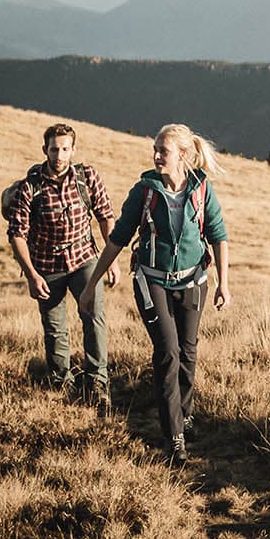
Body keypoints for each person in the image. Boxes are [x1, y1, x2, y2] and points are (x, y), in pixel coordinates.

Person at [86, 123, 229, 465]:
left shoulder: (201, 189)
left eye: (162, 151)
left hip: (194, 281)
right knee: (168, 351)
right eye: (155, 149)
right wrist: (91, 284)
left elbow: (219, 235)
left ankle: (185, 414)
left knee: (188, 352)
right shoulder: (144, 191)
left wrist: (224, 283)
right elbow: (118, 238)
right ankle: (174, 437)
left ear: (182, 155)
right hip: (152, 282)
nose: (155, 155)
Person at [7, 122, 118, 413]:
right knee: (55, 328)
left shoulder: (86, 177)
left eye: (65, 149)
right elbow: (17, 233)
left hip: (85, 259)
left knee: (94, 317)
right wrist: (31, 275)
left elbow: (106, 216)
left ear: (73, 150)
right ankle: (61, 383)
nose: (59, 155)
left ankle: (97, 382)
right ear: (45, 150)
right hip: (47, 265)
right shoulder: (30, 187)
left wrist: (113, 260)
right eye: (54, 149)